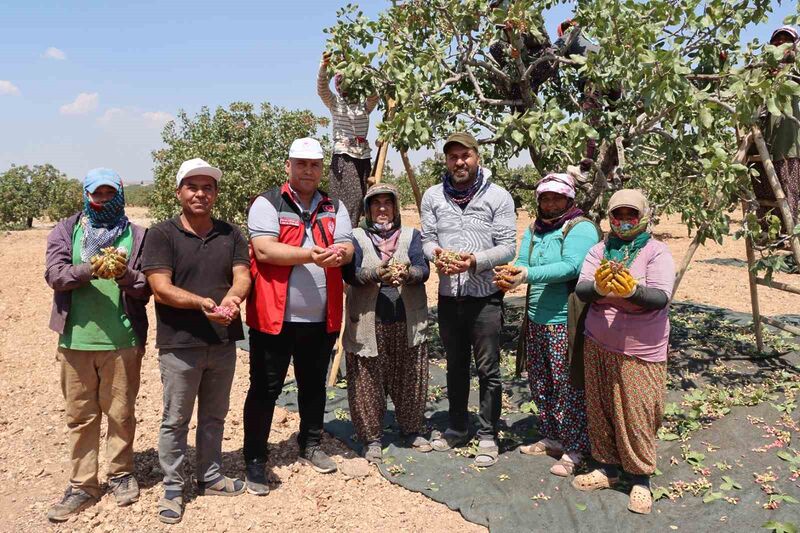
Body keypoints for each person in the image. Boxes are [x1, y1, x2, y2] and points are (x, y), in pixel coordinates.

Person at [142, 158, 251, 524]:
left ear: (216, 193)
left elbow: (242, 276)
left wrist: (233, 299)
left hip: (222, 340)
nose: (200, 193)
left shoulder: (231, 234)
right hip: (180, 343)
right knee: (175, 419)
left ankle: (210, 475)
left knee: (214, 415)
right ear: (179, 192)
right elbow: (161, 287)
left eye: (207, 187)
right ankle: (173, 486)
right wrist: (201, 303)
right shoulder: (162, 234)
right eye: (193, 187)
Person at [243, 137, 354, 493]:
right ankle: (256, 458)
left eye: (315, 165)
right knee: (265, 388)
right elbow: (263, 249)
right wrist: (311, 255)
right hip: (274, 317)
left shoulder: (333, 205)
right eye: (301, 163)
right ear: (288, 166)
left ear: (322, 169)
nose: (308, 170)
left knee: (313, 386)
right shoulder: (268, 202)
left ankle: (311, 444)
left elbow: (348, 244)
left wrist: (343, 254)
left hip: (321, 318)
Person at [45, 168, 150, 522]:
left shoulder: (137, 236)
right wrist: (90, 268)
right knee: (80, 416)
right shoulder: (67, 229)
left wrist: (125, 275)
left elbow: (147, 288)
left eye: (109, 193)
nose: (103, 199)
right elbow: (55, 275)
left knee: (121, 413)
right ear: (87, 195)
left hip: (123, 338)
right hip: (76, 339)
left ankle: (121, 474)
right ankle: (82, 484)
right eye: (97, 194)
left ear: (119, 194)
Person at [571, 189, 675, 515]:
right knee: (601, 407)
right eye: (618, 215)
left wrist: (633, 290)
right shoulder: (600, 250)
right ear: (610, 217)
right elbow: (583, 288)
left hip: (641, 348)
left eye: (631, 214)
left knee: (638, 413)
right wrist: (600, 288)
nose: (624, 221)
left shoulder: (656, 252)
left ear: (644, 216)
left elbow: (660, 297)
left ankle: (640, 479)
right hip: (599, 342)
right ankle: (606, 468)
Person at [420, 132, 517, 467]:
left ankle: (489, 435)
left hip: (484, 297)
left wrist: (475, 261)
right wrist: (437, 255)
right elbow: (427, 239)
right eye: (453, 157)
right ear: (446, 161)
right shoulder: (433, 197)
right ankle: (458, 426)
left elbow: (508, 246)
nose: (459, 162)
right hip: (450, 297)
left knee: (488, 369)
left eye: (465, 156)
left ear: (478, 157)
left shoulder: (498, 197)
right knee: (456, 365)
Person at [495, 173, 601, 477]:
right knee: (541, 383)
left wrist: (526, 276)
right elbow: (524, 261)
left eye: (557, 197)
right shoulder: (534, 228)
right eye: (545, 197)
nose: (550, 203)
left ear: (569, 199)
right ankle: (553, 437)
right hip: (536, 317)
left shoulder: (579, 228)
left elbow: (572, 267)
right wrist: (512, 273)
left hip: (564, 320)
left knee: (568, 386)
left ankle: (575, 448)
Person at [342, 183, 431, 464]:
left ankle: (412, 429)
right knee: (366, 379)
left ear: (395, 207)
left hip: (407, 319)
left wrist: (408, 274)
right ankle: (372, 438)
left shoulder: (411, 235)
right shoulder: (355, 237)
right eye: (375, 204)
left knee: (410, 377)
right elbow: (350, 274)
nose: (382, 209)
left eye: (387, 203)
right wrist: (374, 273)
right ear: (368, 210)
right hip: (369, 321)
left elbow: (423, 269)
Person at [318, 51, 380, 226]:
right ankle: (345, 235)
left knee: (362, 199)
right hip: (344, 157)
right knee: (348, 202)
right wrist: (323, 67)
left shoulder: (364, 105)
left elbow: (374, 95)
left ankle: (357, 236)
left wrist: (361, 72)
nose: (346, 89)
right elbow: (322, 88)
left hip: (363, 156)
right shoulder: (335, 103)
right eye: (343, 84)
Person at [751, 25, 800, 232]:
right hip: (761, 142)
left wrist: (786, 64)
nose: (781, 42)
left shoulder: (795, 68)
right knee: (764, 189)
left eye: (786, 39)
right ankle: (769, 234)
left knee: (789, 191)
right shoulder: (762, 69)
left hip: (786, 142)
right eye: (777, 39)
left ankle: (792, 236)